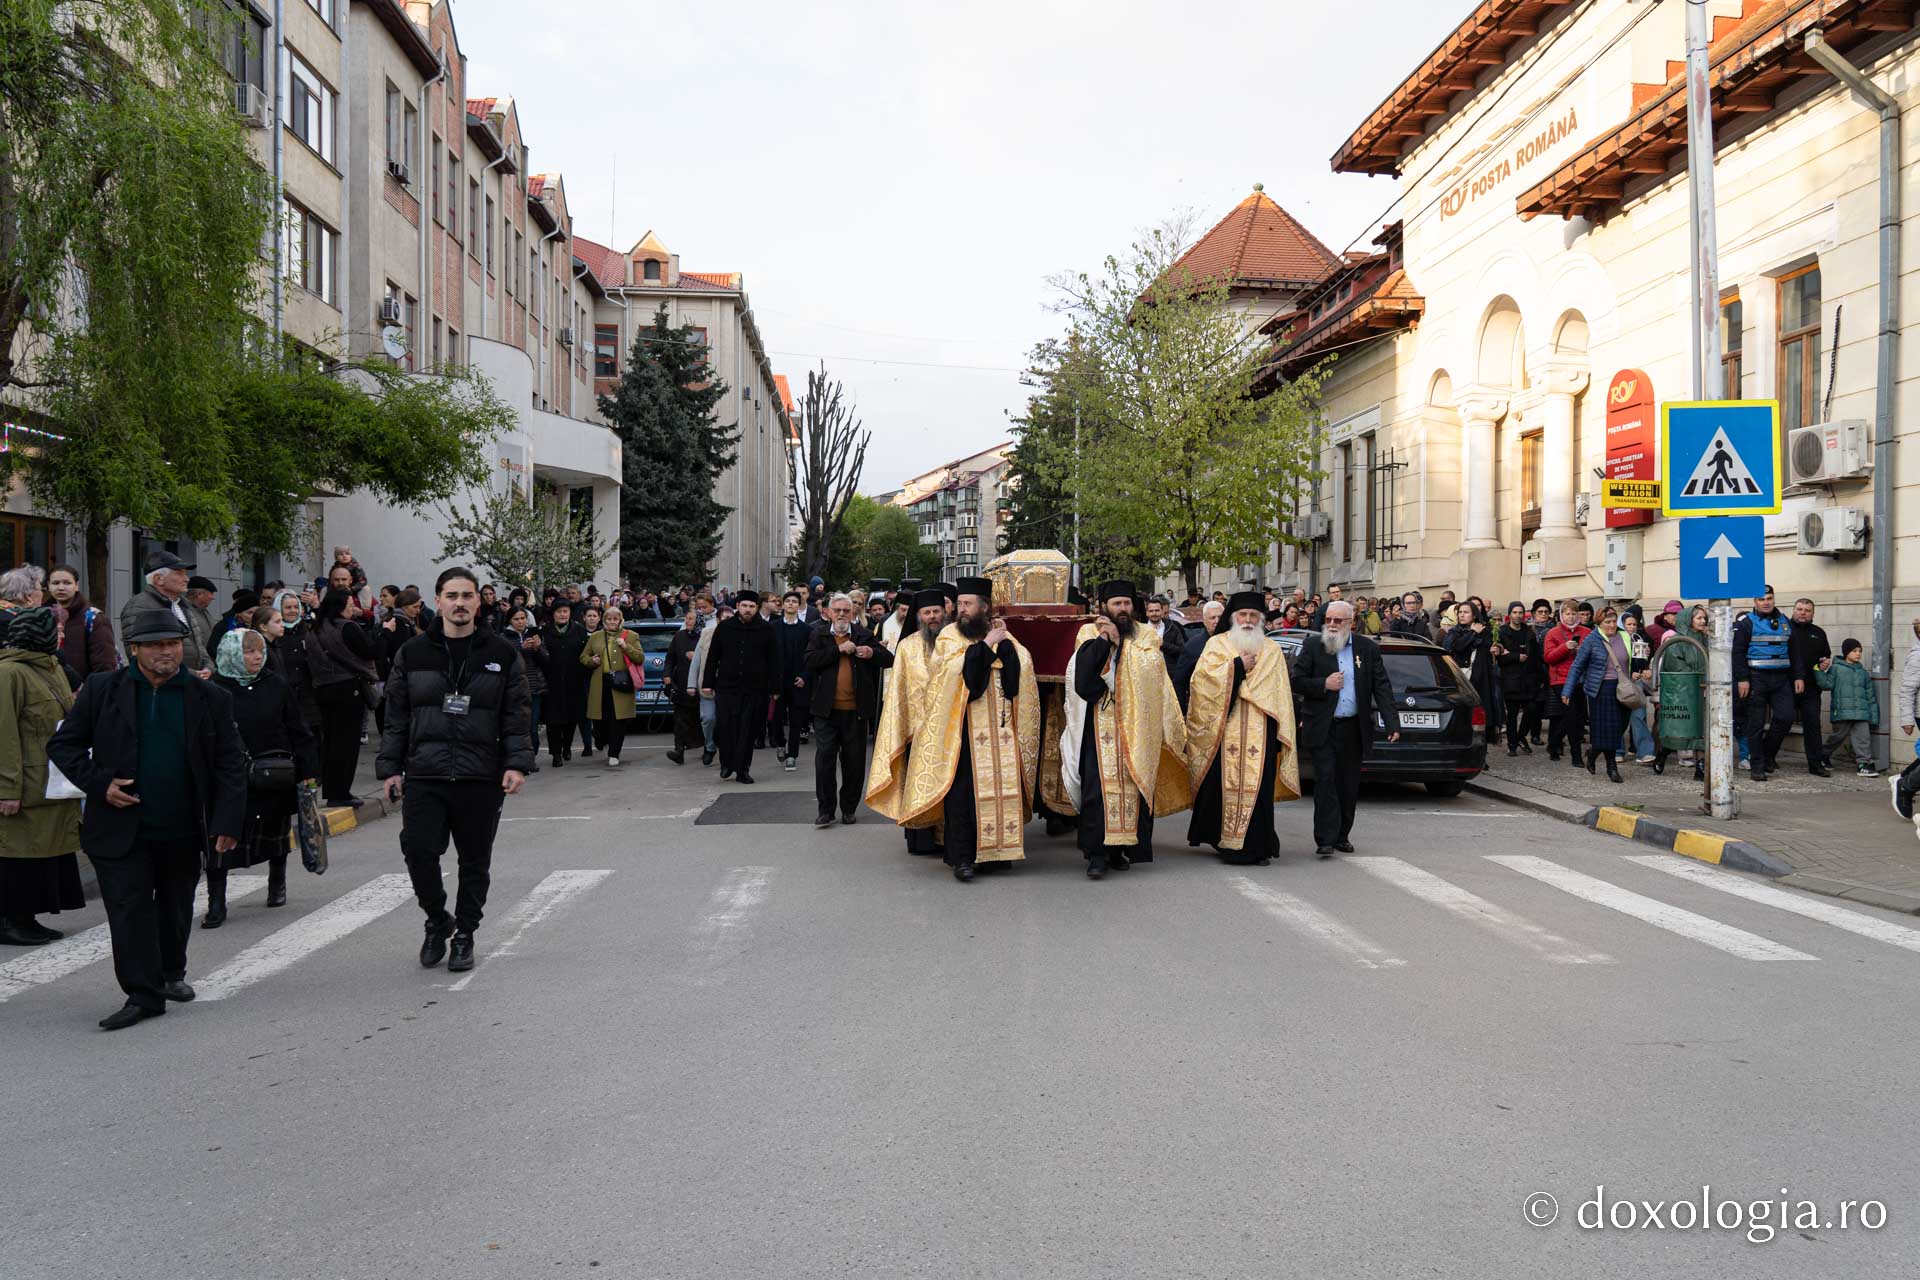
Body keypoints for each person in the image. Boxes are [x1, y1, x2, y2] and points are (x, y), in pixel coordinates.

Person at [47, 606, 247, 1030]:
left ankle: (171, 972)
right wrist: (101, 784)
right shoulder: (103, 690)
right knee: (128, 909)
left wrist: (227, 822)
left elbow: (230, 763)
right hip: (119, 829)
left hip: (179, 826)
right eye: (156, 644)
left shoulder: (209, 697)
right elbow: (63, 747)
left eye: (173, 643)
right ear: (134, 649)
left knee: (175, 907)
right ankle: (142, 994)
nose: (167, 652)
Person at [378, 567, 532, 973]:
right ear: (439, 600)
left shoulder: (500, 653)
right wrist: (391, 768)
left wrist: (517, 763)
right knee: (418, 849)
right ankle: (436, 918)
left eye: (467, 596)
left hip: (480, 775)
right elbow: (396, 716)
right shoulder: (412, 653)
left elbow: (516, 714)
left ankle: (464, 934)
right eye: (451, 595)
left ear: (478, 602)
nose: (460, 603)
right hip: (425, 772)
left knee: (474, 860)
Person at [871, 579, 1036, 882]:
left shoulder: (1002, 633)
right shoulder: (949, 636)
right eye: (959, 604)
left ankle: (997, 853)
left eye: (967, 604)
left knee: (1000, 790)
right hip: (961, 732)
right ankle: (963, 859)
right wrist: (987, 648)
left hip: (999, 733)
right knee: (962, 797)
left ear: (984, 607)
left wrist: (1006, 646)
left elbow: (1020, 672)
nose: (960, 609)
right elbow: (950, 675)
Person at [1062, 580, 1191, 879]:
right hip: (1099, 722)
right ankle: (1096, 854)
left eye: (1126, 603)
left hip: (1136, 726)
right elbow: (1080, 676)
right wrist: (1104, 643)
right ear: (1104, 606)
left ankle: (1121, 849)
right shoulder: (1087, 632)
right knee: (1098, 792)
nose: (1122, 609)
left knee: (1132, 788)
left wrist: (1121, 647)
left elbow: (1152, 671)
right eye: (1116, 604)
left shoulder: (1144, 634)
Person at [203, 629, 320, 926]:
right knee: (219, 839)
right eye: (248, 652)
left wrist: (308, 774)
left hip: (274, 774)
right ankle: (216, 902)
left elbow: (298, 730)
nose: (257, 657)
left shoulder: (275, 684)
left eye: (259, 651)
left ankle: (277, 883)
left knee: (275, 833)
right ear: (231, 654)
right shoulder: (213, 689)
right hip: (229, 778)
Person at [1184, 592, 1301, 865]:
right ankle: (1226, 843)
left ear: (1260, 619)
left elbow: (1279, 693)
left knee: (1258, 791)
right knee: (1223, 787)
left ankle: (1258, 847)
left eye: (1253, 616)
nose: (1247, 620)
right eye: (1242, 615)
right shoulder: (1216, 645)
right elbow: (1201, 684)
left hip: (1262, 730)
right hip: (1224, 731)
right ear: (1233, 618)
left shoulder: (1271, 650)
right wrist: (1237, 666)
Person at [0, 607, 87, 945]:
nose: (62, 634)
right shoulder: (9, 673)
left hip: (51, 780)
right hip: (25, 784)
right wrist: (6, 787)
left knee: (42, 855)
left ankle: (27, 917)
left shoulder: (52, 668)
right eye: (56, 629)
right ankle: (10, 920)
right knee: (18, 856)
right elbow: (4, 733)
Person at [1291, 601, 1400, 858]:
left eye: (1337, 621)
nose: (1331, 625)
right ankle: (1325, 839)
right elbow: (1296, 680)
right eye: (1328, 619)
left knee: (1348, 784)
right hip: (1324, 726)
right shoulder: (1312, 647)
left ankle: (1342, 835)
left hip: (1353, 727)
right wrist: (1323, 684)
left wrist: (1392, 722)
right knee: (1326, 780)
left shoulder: (1367, 649)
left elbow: (1381, 686)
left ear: (1351, 623)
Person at [867, 589, 952, 858]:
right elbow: (898, 691)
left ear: (945, 613)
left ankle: (950, 838)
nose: (932, 617)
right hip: (917, 732)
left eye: (936, 612)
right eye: (927, 613)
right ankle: (922, 839)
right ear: (918, 617)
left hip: (951, 730)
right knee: (919, 785)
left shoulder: (956, 641)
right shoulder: (907, 646)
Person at [804, 593, 893, 827]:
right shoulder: (819, 634)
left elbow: (888, 659)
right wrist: (839, 649)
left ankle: (849, 808)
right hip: (826, 710)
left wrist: (872, 653)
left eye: (847, 610)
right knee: (824, 760)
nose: (842, 614)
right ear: (829, 613)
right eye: (838, 610)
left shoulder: (864, 635)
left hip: (856, 710)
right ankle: (826, 810)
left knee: (853, 762)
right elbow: (809, 661)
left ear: (853, 613)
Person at [305, 587, 377, 807]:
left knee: (331, 742)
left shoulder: (314, 629)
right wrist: (384, 631)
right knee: (346, 745)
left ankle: (330, 788)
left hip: (322, 690)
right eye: (349, 605)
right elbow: (370, 651)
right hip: (347, 691)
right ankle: (340, 792)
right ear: (339, 606)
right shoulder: (347, 628)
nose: (352, 609)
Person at [703, 590, 778, 784]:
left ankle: (743, 769)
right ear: (737, 606)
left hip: (755, 689)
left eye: (752, 607)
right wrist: (707, 683)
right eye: (744, 606)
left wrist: (775, 688)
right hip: (727, 687)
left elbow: (775, 660)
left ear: (757, 608)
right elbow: (713, 657)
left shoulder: (766, 629)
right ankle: (727, 763)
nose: (748, 610)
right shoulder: (725, 627)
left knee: (748, 730)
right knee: (726, 728)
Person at [1733, 585, 1795, 782]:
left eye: (1769, 598)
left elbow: (1794, 651)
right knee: (1755, 724)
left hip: (1781, 677)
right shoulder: (1746, 623)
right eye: (1761, 599)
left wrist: (1798, 676)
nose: (1766, 602)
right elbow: (1737, 653)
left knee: (1786, 718)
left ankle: (1767, 754)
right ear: (1754, 602)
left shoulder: (1785, 621)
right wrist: (1742, 679)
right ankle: (1757, 766)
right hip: (1755, 677)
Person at [1563, 606, 1630, 784]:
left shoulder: (1624, 636)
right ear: (1599, 623)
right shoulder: (1592, 640)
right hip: (1601, 688)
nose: (1611, 625)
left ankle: (1593, 752)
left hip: (1623, 687)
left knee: (1621, 725)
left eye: (1614, 621)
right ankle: (1611, 767)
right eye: (1607, 622)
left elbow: (1631, 660)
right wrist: (1567, 690)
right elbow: (1577, 666)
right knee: (1608, 728)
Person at [120, 550, 212, 677]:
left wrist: (208, 668)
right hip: (161, 684)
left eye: (186, 574)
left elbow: (199, 645)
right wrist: (191, 674)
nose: (186, 579)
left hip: (192, 684)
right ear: (158, 579)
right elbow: (137, 654)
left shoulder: (183, 604)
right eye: (179, 573)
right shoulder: (139, 606)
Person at [580, 605, 644, 767]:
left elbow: (639, 658)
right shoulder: (595, 637)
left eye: (615, 619)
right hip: (600, 683)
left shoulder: (631, 635)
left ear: (621, 620)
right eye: (609, 619)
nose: (612, 622)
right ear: (604, 620)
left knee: (618, 720)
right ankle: (600, 738)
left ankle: (614, 753)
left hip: (621, 682)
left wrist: (625, 646)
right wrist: (591, 661)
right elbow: (583, 657)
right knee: (600, 720)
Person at [532, 600, 589, 767]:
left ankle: (567, 747)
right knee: (553, 720)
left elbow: (585, 654)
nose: (562, 614)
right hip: (552, 681)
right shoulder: (545, 631)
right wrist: (536, 650)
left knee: (571, 719)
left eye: (565, 611)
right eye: (559, 611)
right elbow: (540, 658)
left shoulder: (579, 630)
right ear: (553, 614)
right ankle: (555, 753)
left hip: (574, 681)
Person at [1814, 639, 1878, 776]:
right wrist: (1818, 670)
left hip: (1861, 713)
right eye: (1854, 651)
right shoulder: (1836, 669)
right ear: (1846, 652)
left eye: (1860, 651)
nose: (1858, 654)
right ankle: (1823, 755)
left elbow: (1870, 696)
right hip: (1842, 711)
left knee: (1863, 738)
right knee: (1837, 737)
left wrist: (1873, 716)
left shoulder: (1863, 673)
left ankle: (1863, 764)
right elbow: (1826, 684)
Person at [46, 565, 119, 679]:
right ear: (48, 586)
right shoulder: (42, 616)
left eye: (67, 583)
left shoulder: (93, 618)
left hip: (83, 692)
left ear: (77, 586)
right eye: (55, 583)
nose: (61, 587)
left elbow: (104, 666)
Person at [1789, 597, 1834, 777]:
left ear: (1813, 614)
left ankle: (1816, 764)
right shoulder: (1786, 630)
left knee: (1813, 725)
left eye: (1807, 610)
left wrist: (1825, 663)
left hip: (1811, 687)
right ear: (1794, 610)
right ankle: (1768, 758)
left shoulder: (1819, 633)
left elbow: (1825, 656)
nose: (1803, 613)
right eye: (1799, 609)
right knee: (1781, 721)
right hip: (1787, 685)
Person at [1544, 599, 1591, 764]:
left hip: (1580, 680)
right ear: (1562, 615)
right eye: (1567, 614)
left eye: (1573, 613)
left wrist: (1581, 651)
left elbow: (1592, 655)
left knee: (1577, 717)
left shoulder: (1586, 631)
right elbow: (1549, 657)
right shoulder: (1553, 633)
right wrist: (1565, 647)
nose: (1570, 617)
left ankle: (1554, 742)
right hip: (1560, 680)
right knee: (1570, 716)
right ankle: (1576, 756)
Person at [771, 591, 813, 771]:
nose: (790, 604)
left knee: (796, 720)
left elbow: (809, 656)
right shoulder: (773, 628)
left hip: (798, 682)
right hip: (777, 682)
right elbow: (768, 656)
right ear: (782, 605)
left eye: (794, 601)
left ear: (799, 605)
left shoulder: (807, 630)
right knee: (776, 719)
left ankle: (792, 755)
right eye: (787, 601)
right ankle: (780, 743)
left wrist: (804, 676)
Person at [1446, 600, 1496, 746]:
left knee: (1481, 716)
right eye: (1460, 612)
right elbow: (1458, 647)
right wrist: (1473, 632)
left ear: (1474, 615)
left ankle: (1481, 750)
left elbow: (1487, 649)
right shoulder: (1454, 632)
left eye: (1466, 612)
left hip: (1481, 677)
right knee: (1463, 714)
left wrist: (1496, 648)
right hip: (1462, 678)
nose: (1462, 615)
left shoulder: (1485, 631)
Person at [1495, 601, 1540, 756]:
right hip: (1510, 678)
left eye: (1520, 613)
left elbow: (1534, 655)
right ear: (1510, 614)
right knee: (1512, 714)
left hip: (1528, 678)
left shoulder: (1529, 632)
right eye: (1515, 612)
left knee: (1532, 710)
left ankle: (1521, 737)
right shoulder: (1502, 632)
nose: (1518, 616)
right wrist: (1515, 656)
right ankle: (1512, 744)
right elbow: (1500, 658)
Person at [502, 607, 546, 766]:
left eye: (523, 618)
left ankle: (531, 758)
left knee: (532, 727)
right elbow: (504, 660)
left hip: (533, 686)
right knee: (516, 726)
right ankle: (515, 758)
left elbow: (545, 661)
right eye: (516, 619)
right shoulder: (503, 638)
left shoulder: (533, 635)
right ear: (510, 621)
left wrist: (537, 648)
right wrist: (521, 649)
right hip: (513, 688)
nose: (521, 622)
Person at [665, 608, 704, 766]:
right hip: (681, 684)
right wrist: (667, 677)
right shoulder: (679, 636)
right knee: (679, 719)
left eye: (691, 619)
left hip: (701, 686)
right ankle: (678, 750)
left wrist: (697, 657)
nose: (688, 621)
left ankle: (708, 748)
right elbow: (670, 658)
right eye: (686, 618)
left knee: (699, 720)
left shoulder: (705, 636)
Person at [1172, 599, 1226, 710]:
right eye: (1212, 618)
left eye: (1220, 617)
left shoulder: (1233, 642)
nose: (1217, 621)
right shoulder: (1192, 646)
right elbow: (1179, 681)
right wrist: (1181, 711)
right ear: (1204, 620)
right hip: (1202, 709)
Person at [1619, 611, 1657, 763]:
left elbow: (1641, 663)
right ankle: (1617, 750)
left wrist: (1644, 668)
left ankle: (1645, 752)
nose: (1632, 627)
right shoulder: (1616, 640)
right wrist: (1629, 673)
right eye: (1629, 624)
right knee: (1620, 717)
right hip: (1620, 682)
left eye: (1634, 624)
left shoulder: (1639, 639)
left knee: (1639, 716)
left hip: (1636, 683)